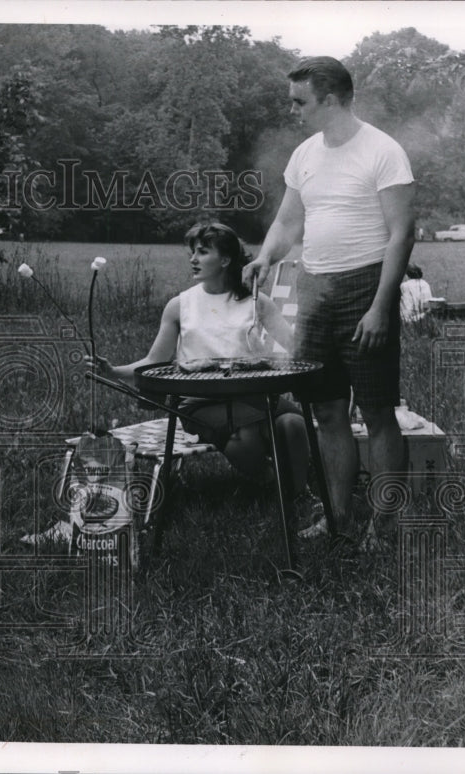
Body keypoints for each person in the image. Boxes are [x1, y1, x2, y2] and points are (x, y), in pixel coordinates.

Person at [243, 56, 415, 545]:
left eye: (300, 101)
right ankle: (337, 517)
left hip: (366, 287)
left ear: (331, 100)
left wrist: (381, 305)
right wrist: (265, 258)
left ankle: (383, 527)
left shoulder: (383, 151)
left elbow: (402, 234)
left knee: (379, 412)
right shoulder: (304, 155)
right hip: (314, 287)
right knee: (327, 412)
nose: (292, 110)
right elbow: (287, 221)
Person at [89, 222, 318, 510]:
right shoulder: (180, 305)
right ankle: (270, 480)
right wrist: (112, 372)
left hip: (252, 393)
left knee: (293, 424)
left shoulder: (257, 302)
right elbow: (154, 363)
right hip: (200, 402)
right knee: (243, 437)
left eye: (202, 252)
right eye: (192, 253)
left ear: (225, 259)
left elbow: (297, 350)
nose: (193, 259)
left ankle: (298, 496)